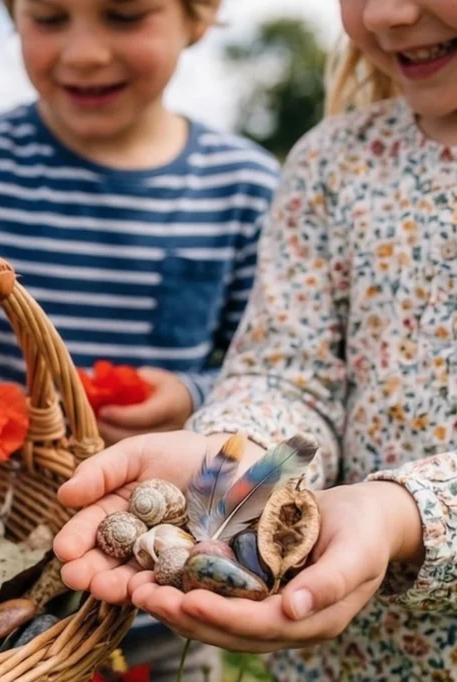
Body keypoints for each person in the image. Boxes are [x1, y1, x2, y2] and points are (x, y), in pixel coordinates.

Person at [0, 0, 279, 678]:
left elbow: (265, 369)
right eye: (50, 18)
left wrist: (189, 395)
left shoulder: (244, 190)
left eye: (124, 16)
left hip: (155, 580)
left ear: (198, 16)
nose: (84, 52)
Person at [53, 1, 457, 679]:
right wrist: (234, 457)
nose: (388, 13)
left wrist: (402, 514)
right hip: (339, 663)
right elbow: (290, 373)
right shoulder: (334, 164)